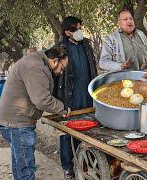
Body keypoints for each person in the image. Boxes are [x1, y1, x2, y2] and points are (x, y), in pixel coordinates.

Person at [0, 44, 69, 180]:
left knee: (19, 164)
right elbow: (41, 99)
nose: (62, 72)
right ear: (54, 61)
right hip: (18, 124)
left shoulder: (37, 60)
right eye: (62, 67)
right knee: (26, 169)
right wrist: (63, 109)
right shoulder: (36, 67)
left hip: (10, 121)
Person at [53, 16, 98, 179]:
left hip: (86, 93)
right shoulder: (59, 48)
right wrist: (57, 101)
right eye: (76, 29)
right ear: (67, 32)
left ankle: (85, 162)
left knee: (88, 128)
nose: (79, 31)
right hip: (69, 96)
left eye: (80, 28)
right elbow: (55, 77)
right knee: (67, 131)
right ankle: (67, 167)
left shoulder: (86, 44)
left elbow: (92, 67)